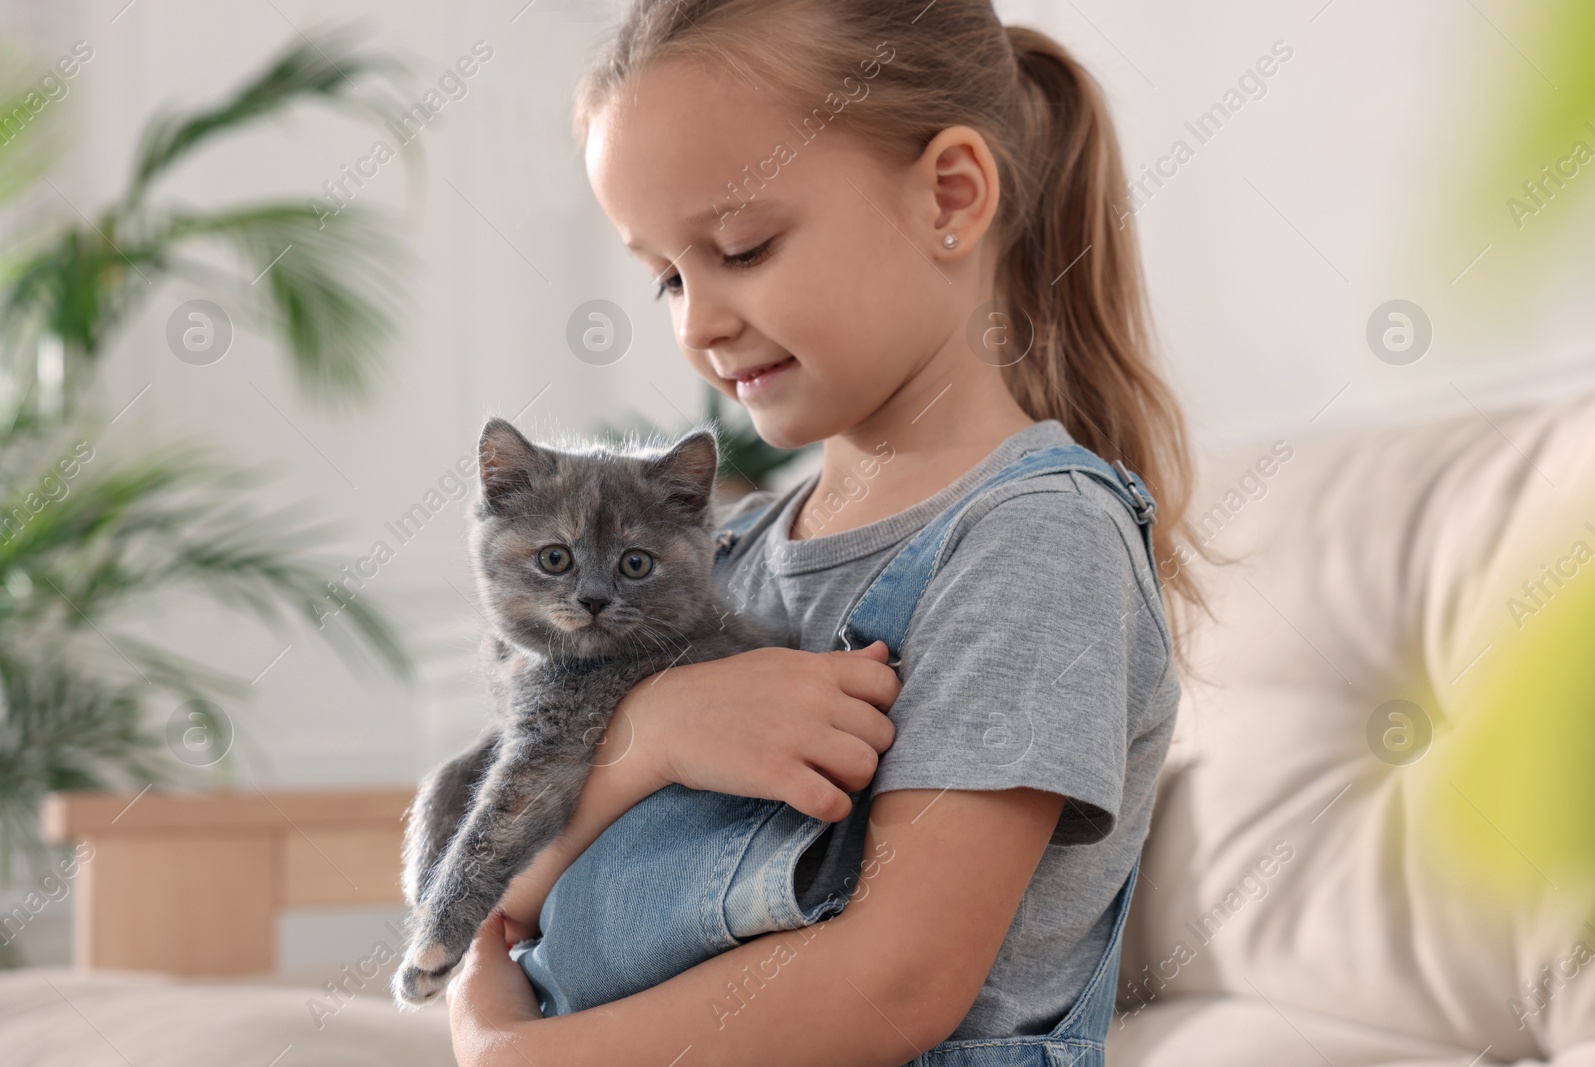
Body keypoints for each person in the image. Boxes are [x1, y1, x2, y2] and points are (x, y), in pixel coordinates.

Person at [445, 1, 1204, 1063]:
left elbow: (894, 984)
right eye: (667, 274)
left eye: (742, 248)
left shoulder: (1036, 539)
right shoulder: (727, 555)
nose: (696, 323)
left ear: (950, 196)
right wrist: (649, 733)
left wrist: (523, 1054)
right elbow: (509, 893)